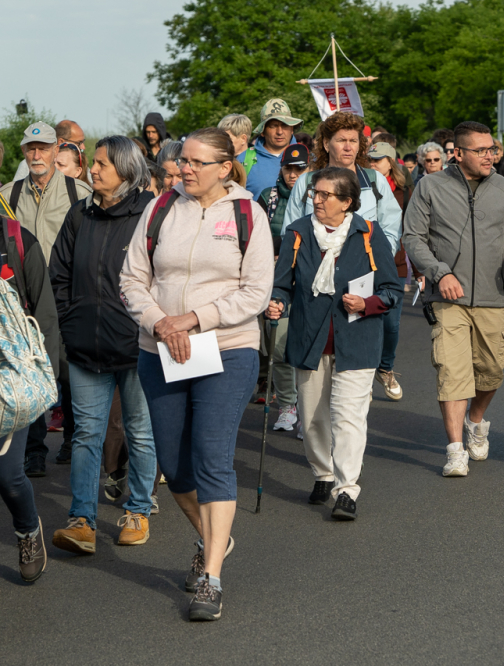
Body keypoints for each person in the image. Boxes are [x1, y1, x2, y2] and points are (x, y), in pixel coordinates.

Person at [120, 127, 273, 621]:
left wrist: (193, 319)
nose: (183, 168)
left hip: (227, 349)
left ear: (224, 168)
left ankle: (211, 578)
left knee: (212, 455)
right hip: (161, 349)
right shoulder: (160, 208)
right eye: (182, 160)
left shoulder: (248, 214)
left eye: (194, 162)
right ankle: (214, 539)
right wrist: (159, 322)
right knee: (174, 463)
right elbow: (131, 280)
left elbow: (255, 293)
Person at [268, 168, 401, 515]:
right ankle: (323, 474)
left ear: (346, 202)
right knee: (312, 418)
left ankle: (346, 490)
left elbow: (392, 289)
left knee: (348, 418)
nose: (317, 199)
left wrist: (368, 303)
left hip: (357, 341)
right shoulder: (298, 233)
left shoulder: (368, 234)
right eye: (315, 192)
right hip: (309, 340)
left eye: (325, 194)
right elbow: (281, 284)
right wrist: (277, 301)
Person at [48, 136, 158, 553]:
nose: (92, 170)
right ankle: (82, 520)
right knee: (86, 435)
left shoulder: (151, 215)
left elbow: (163, 279)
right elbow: (59, 273)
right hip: (84, 346)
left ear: (126, 172)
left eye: (101, 164)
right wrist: (71, 320)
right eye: (93, 163)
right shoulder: (80, 214)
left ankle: (138, 510)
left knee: (140, 433)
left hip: (137, 346)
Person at [402, 121, 504, 477]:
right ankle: (455, 450)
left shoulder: (502, 187)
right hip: (448, 299)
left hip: (492, 295)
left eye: (492, 150)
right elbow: (412, 237)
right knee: (452, 371)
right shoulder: (430, 186)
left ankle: (476, 420)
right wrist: (439, 272)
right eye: (481, 150)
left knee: (492, 372)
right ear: (458, 153)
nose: (489, 156)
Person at [0, 122, 92, 477]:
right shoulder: (8, 194)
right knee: (30, 372)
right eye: (31, 148)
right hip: (25, 301)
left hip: (67, 298)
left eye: (43, 148)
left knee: (68, 371)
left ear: (57, 150)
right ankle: (33, 451)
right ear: (24, 152)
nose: (37, 154)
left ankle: (71, 437)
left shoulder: (78, 192)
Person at [0, 211, 60, 582]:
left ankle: (27, 531)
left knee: (8, 476)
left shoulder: (17, 241)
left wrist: (44, 377)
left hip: (12, 375)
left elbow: (45, 313)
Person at [284, 113, 402, 259]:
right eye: (341, 140)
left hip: (364, 268)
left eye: (353, 141)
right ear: (326, 144)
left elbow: (391, 229)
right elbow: (290, 232)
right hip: (315, 267)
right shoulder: (306, 183)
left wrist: (377, 260)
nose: (348, 147)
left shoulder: (376, 182)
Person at [256, 144, 310, 432]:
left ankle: (308, 410)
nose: (293, 174)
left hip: (310, 280)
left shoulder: (319, 196)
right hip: (276, 279)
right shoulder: (268, 197)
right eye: (289, 168)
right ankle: (287, 406)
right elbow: (255, 238)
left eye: (300, 169)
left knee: (307, 345)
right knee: (278, 345)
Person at [367, 141, 411, 400]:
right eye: (370, 159)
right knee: (364, 318)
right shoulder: (361, 185)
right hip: (364, 263)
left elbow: (414, 228)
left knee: (391, 324)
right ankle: (363, 372)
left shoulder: (405, 191)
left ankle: (385, 368)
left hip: (396, 263)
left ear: (391, 162)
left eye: (378, 160)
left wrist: (420, 270)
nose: (372, 164)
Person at [243, 99, 302, 198]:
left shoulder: (308, 159)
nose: (279, 132)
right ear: (262, 131)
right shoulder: (244, 160)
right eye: (273, 126)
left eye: (285, 125)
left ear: (292, 129)